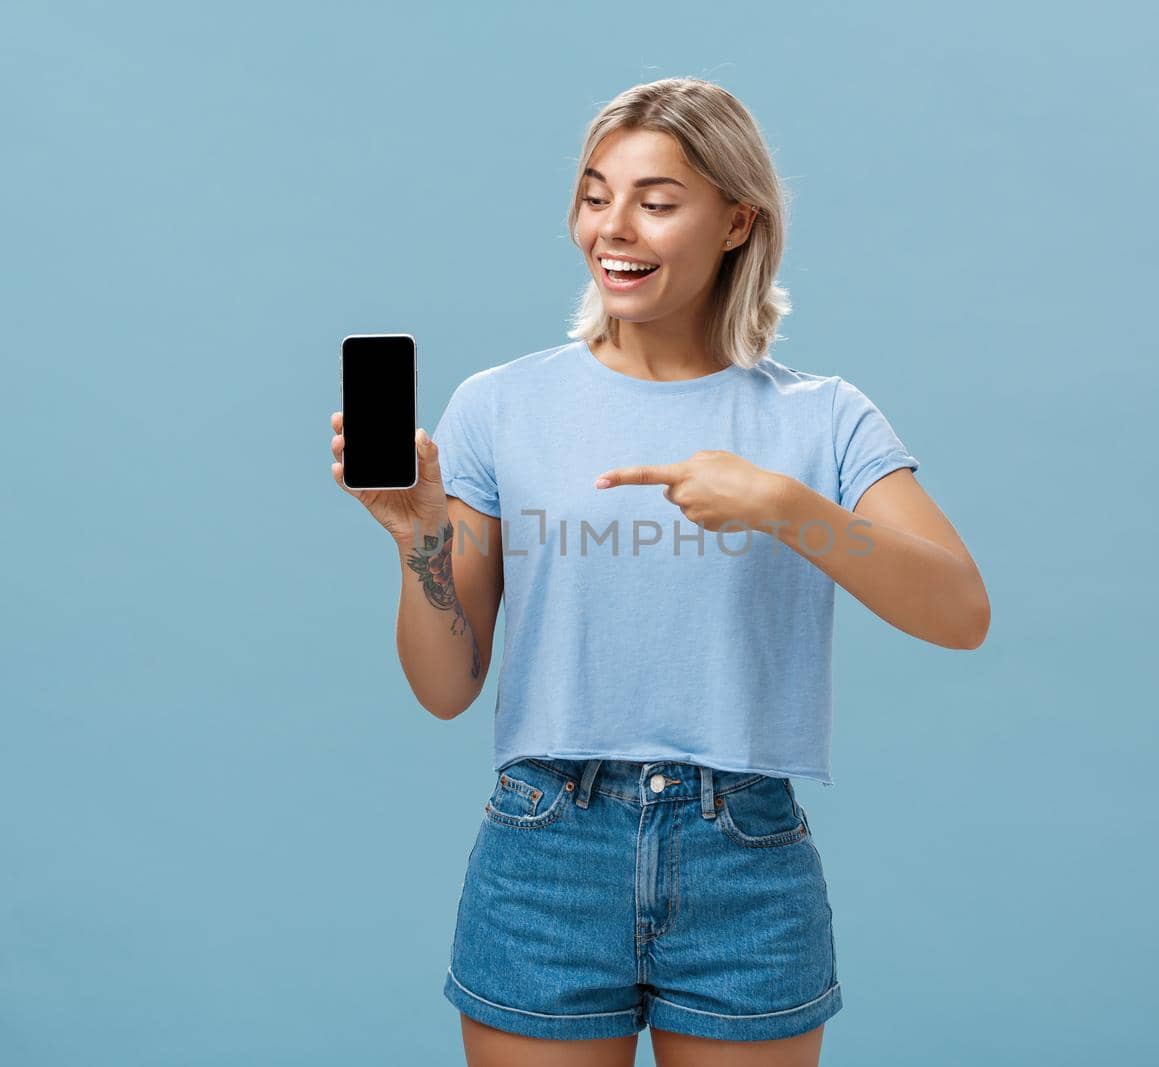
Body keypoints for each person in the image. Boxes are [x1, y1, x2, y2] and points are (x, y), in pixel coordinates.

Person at [330, 76, 989, 1067]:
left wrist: (783, 506)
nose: (613, 227)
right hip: (546, 846)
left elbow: (958, 609)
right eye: (595, 194)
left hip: (744, 859)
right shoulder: (500, 406)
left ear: (735, 219)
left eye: (656, 199)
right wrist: (418, 541)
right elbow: (443, 687)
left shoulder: (821, 417)